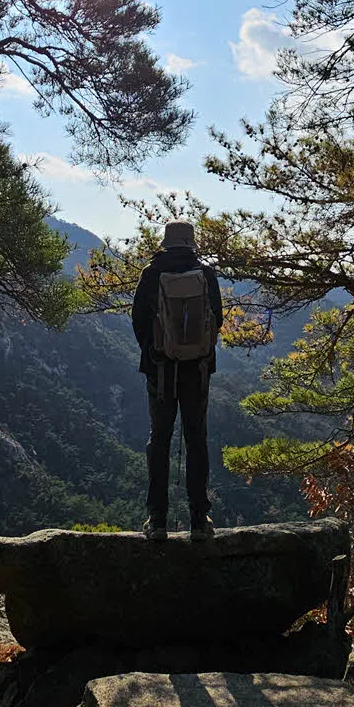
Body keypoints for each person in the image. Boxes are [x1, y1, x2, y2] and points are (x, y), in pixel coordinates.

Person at [132, 220, 223, 541]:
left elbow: (139, 322)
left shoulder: (151, 273)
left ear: (167, 242)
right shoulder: (206, 273)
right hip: (196, 372)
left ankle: (157, 521)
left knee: (160, 439)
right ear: (191, 243)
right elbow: (218, 321)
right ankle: (200, 519)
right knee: (196, 439)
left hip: (160, 371)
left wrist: (158, 351)